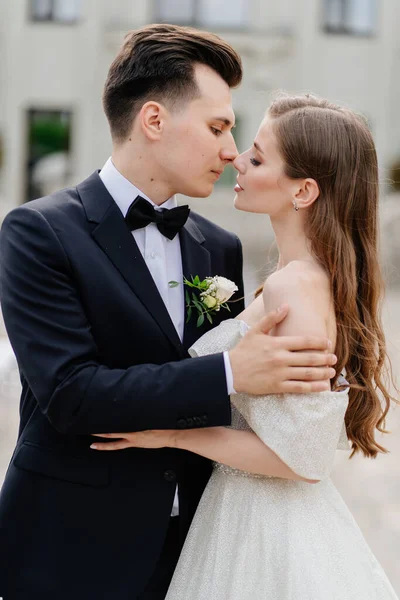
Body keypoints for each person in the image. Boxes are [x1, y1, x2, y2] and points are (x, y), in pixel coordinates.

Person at [0, 27, 336, 600]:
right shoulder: (38, 232)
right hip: (69, 549)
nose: (232, 151)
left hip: (199, 551)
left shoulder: (220, 247)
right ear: (153, 120)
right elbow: (71, 395)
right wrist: (232, 372)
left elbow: (236, 408)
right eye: (218, 127)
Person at [93, 94, 399, 599]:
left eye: (257, 158)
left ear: (303, 191)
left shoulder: (293, 288)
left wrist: (171, 435)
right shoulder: (303, 279)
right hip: (249, 511)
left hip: (265, 529)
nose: (236, 158)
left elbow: (301, 458)